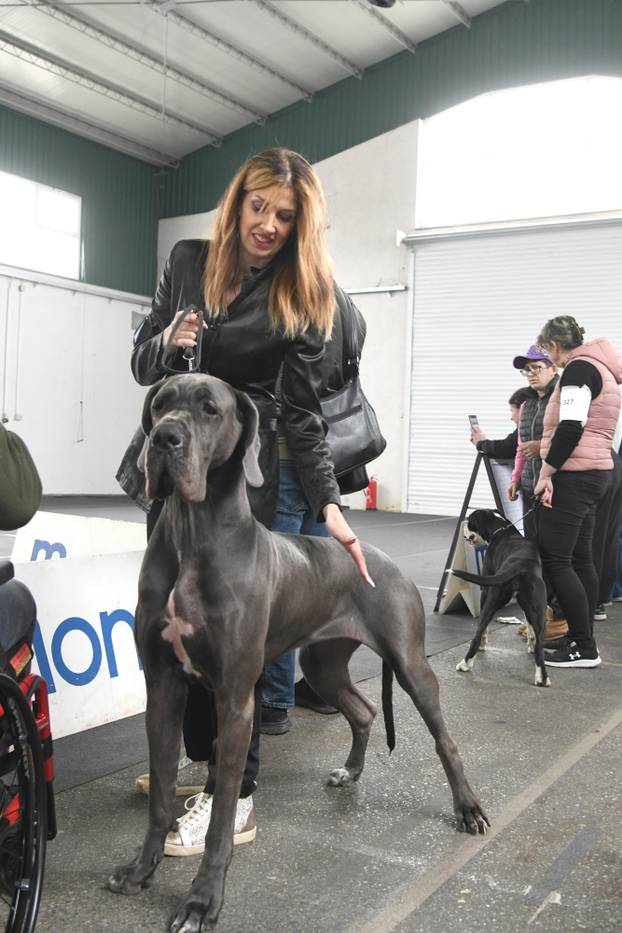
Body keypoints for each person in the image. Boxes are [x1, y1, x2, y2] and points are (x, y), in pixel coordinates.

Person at [121, 148, 373, 856]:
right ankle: (193, 770)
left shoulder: (303, 295)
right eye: (258, 206)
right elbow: (143, 363)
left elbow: (302, 415)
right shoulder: (186, 261)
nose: (267, 224)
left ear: (301, 225)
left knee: (238, 649)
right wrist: (170, 338)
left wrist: (328, 505)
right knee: (176, 628)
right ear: (237, 203)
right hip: (175, 467)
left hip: (249, 477)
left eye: (284, 215)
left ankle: (238, 798)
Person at [261, 289, 367, 735]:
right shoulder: (350, 309)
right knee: (314, 589)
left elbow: (287, 393)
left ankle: (273, 702)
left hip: (287, 456)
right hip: (326, 462)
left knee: (278, 591)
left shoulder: (290, 301)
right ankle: (322, 686)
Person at [534, 316, 622, 669]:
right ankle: (581, 640)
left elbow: (571, 426)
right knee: (581, 558)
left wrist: (546, 472)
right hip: (597, 472)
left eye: (546, 350)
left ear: (554, 345)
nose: (549, 357)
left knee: (557, 560)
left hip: (575, 475)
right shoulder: (601, 367)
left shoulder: (579, 369)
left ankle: (583, 646)